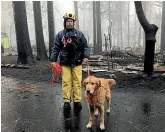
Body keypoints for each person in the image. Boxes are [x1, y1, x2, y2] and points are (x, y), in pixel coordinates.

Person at [50, 13, 89, 112]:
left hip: (77, 62)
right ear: (65, 23)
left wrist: (85, 56)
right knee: (66, 82)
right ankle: (66, 101)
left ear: (74, 23)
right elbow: (55, 48)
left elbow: (85, 46)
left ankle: (77, 101)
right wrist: (53, 60)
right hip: (65, 63)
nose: (70, 23)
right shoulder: (60, 35)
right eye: (68, 21)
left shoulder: (79, 34)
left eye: (71, 21)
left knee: (77, 82)